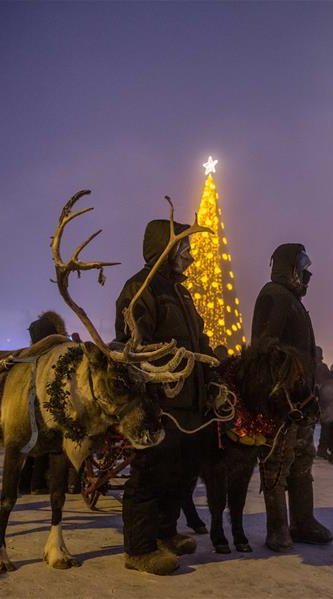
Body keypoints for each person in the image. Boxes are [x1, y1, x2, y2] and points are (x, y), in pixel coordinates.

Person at [114, 218, 219, 575]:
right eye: (184, 247)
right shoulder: (143, 287)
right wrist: (154, 386)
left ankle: (165, 533)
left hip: (190, 403)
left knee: (182, 472)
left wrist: (213, 378)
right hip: (160, 400)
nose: (190, 255)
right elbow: (134, 345)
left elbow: (199, 341)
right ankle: (139, 549)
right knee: (150, 474)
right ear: (166, 247)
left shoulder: (180, 292)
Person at [252, 243, 333, 552]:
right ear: (289, 267)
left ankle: (303, 521)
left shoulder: (293, 300)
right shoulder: (274, 295)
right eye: (302, 266)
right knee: (277, 464)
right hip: (282, 402)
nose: (307, 273)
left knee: (301, 462)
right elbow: (265, 346)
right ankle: (277, 529)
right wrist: (280, 388)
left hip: (302, 401)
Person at [19, 311, 68, 496]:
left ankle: (25, 482)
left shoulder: (28, 354)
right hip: (46, 403)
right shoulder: (54, 355)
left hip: (27, 402)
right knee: (45, 444)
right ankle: (38, 483)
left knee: (30, 445)